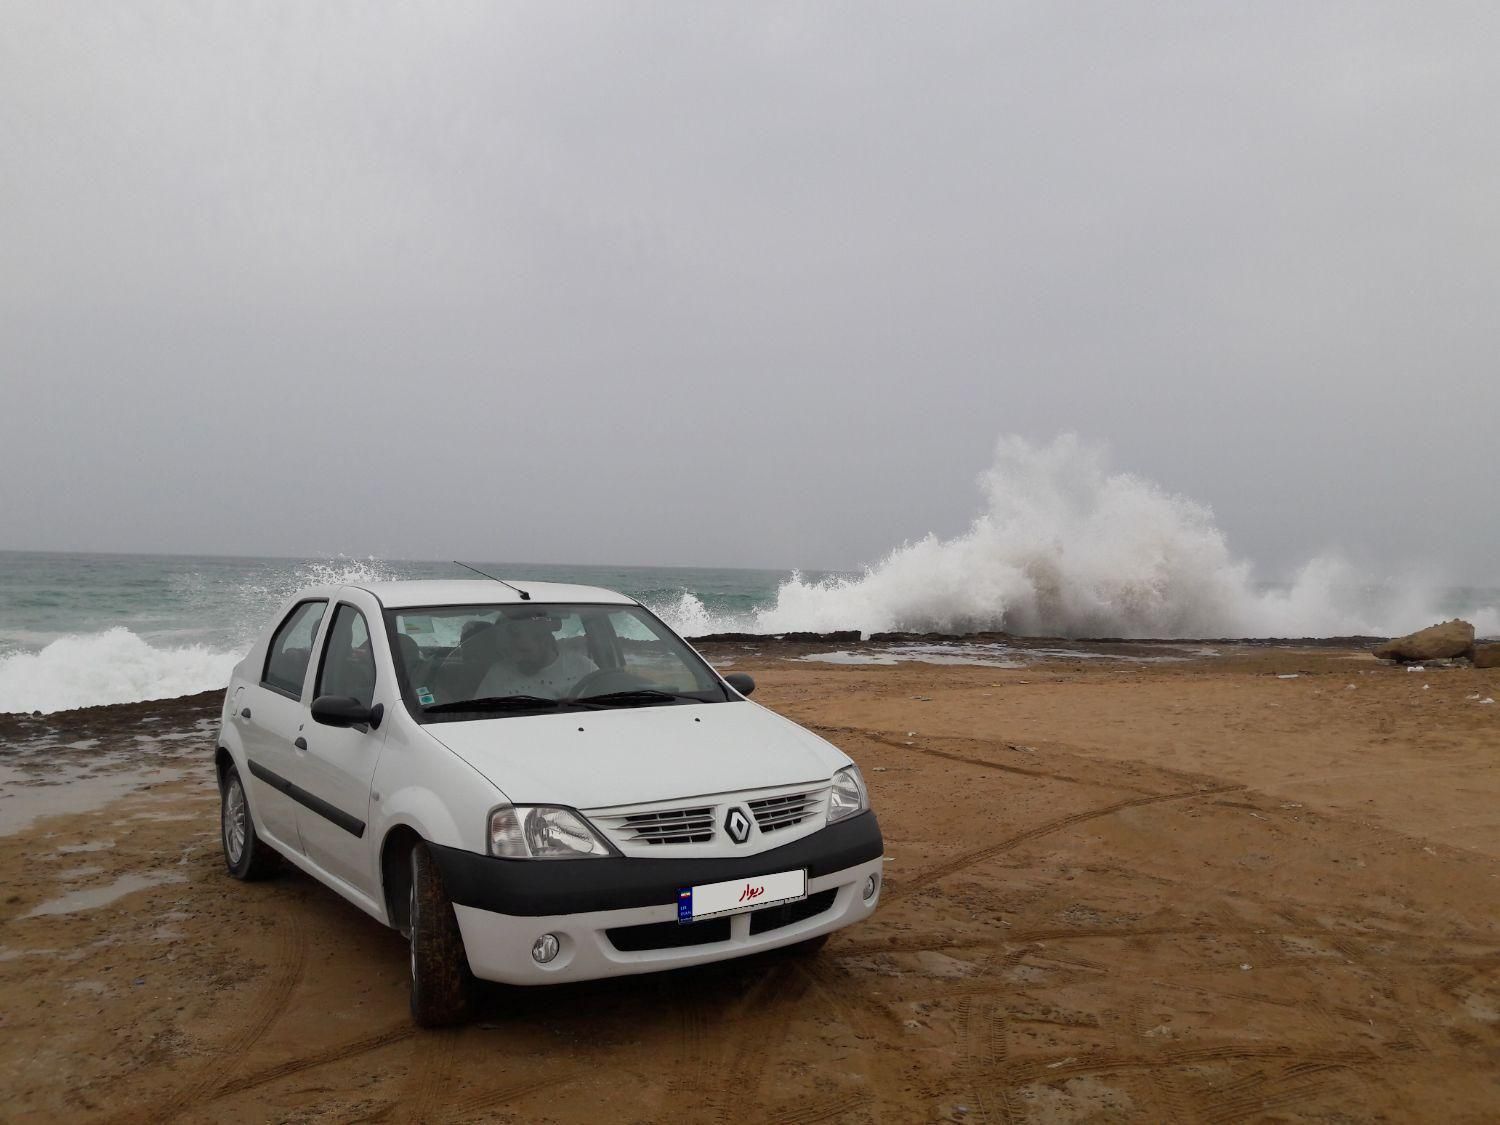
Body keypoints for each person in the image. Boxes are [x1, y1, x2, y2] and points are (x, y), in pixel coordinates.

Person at [475, 615, 594, 699]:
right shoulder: (498, 674)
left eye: (524, 651)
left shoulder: (583, 668)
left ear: (545, 642)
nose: (516, 658)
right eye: (509, 652)